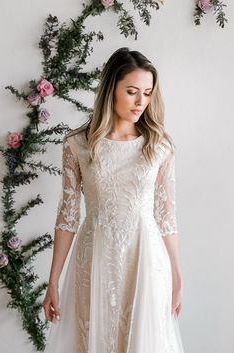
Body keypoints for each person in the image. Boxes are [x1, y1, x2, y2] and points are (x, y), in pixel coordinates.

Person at [42, 47, 185, 353]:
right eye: (132, 91)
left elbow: (166, 216)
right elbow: (68, 217)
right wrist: (53, 279)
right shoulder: (78, 145)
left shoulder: (159, 147)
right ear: (111, 89)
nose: (140, 102)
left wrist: (176, 274)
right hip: (94, 257)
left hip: (145, 260)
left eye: (147, 93)